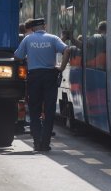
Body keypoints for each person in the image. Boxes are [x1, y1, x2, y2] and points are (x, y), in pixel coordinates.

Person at [14, 18, 70, 151]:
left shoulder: (28, 39)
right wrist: (61, 67)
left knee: (34, 110)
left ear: (33, 28)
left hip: (34, 77)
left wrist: (30, 56)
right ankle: (45, 143)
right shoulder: (53, 38)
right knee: (49, 110)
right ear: (44, 26)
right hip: (50, 75)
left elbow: (17, 56)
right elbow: (67, 50)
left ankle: (37, 142)